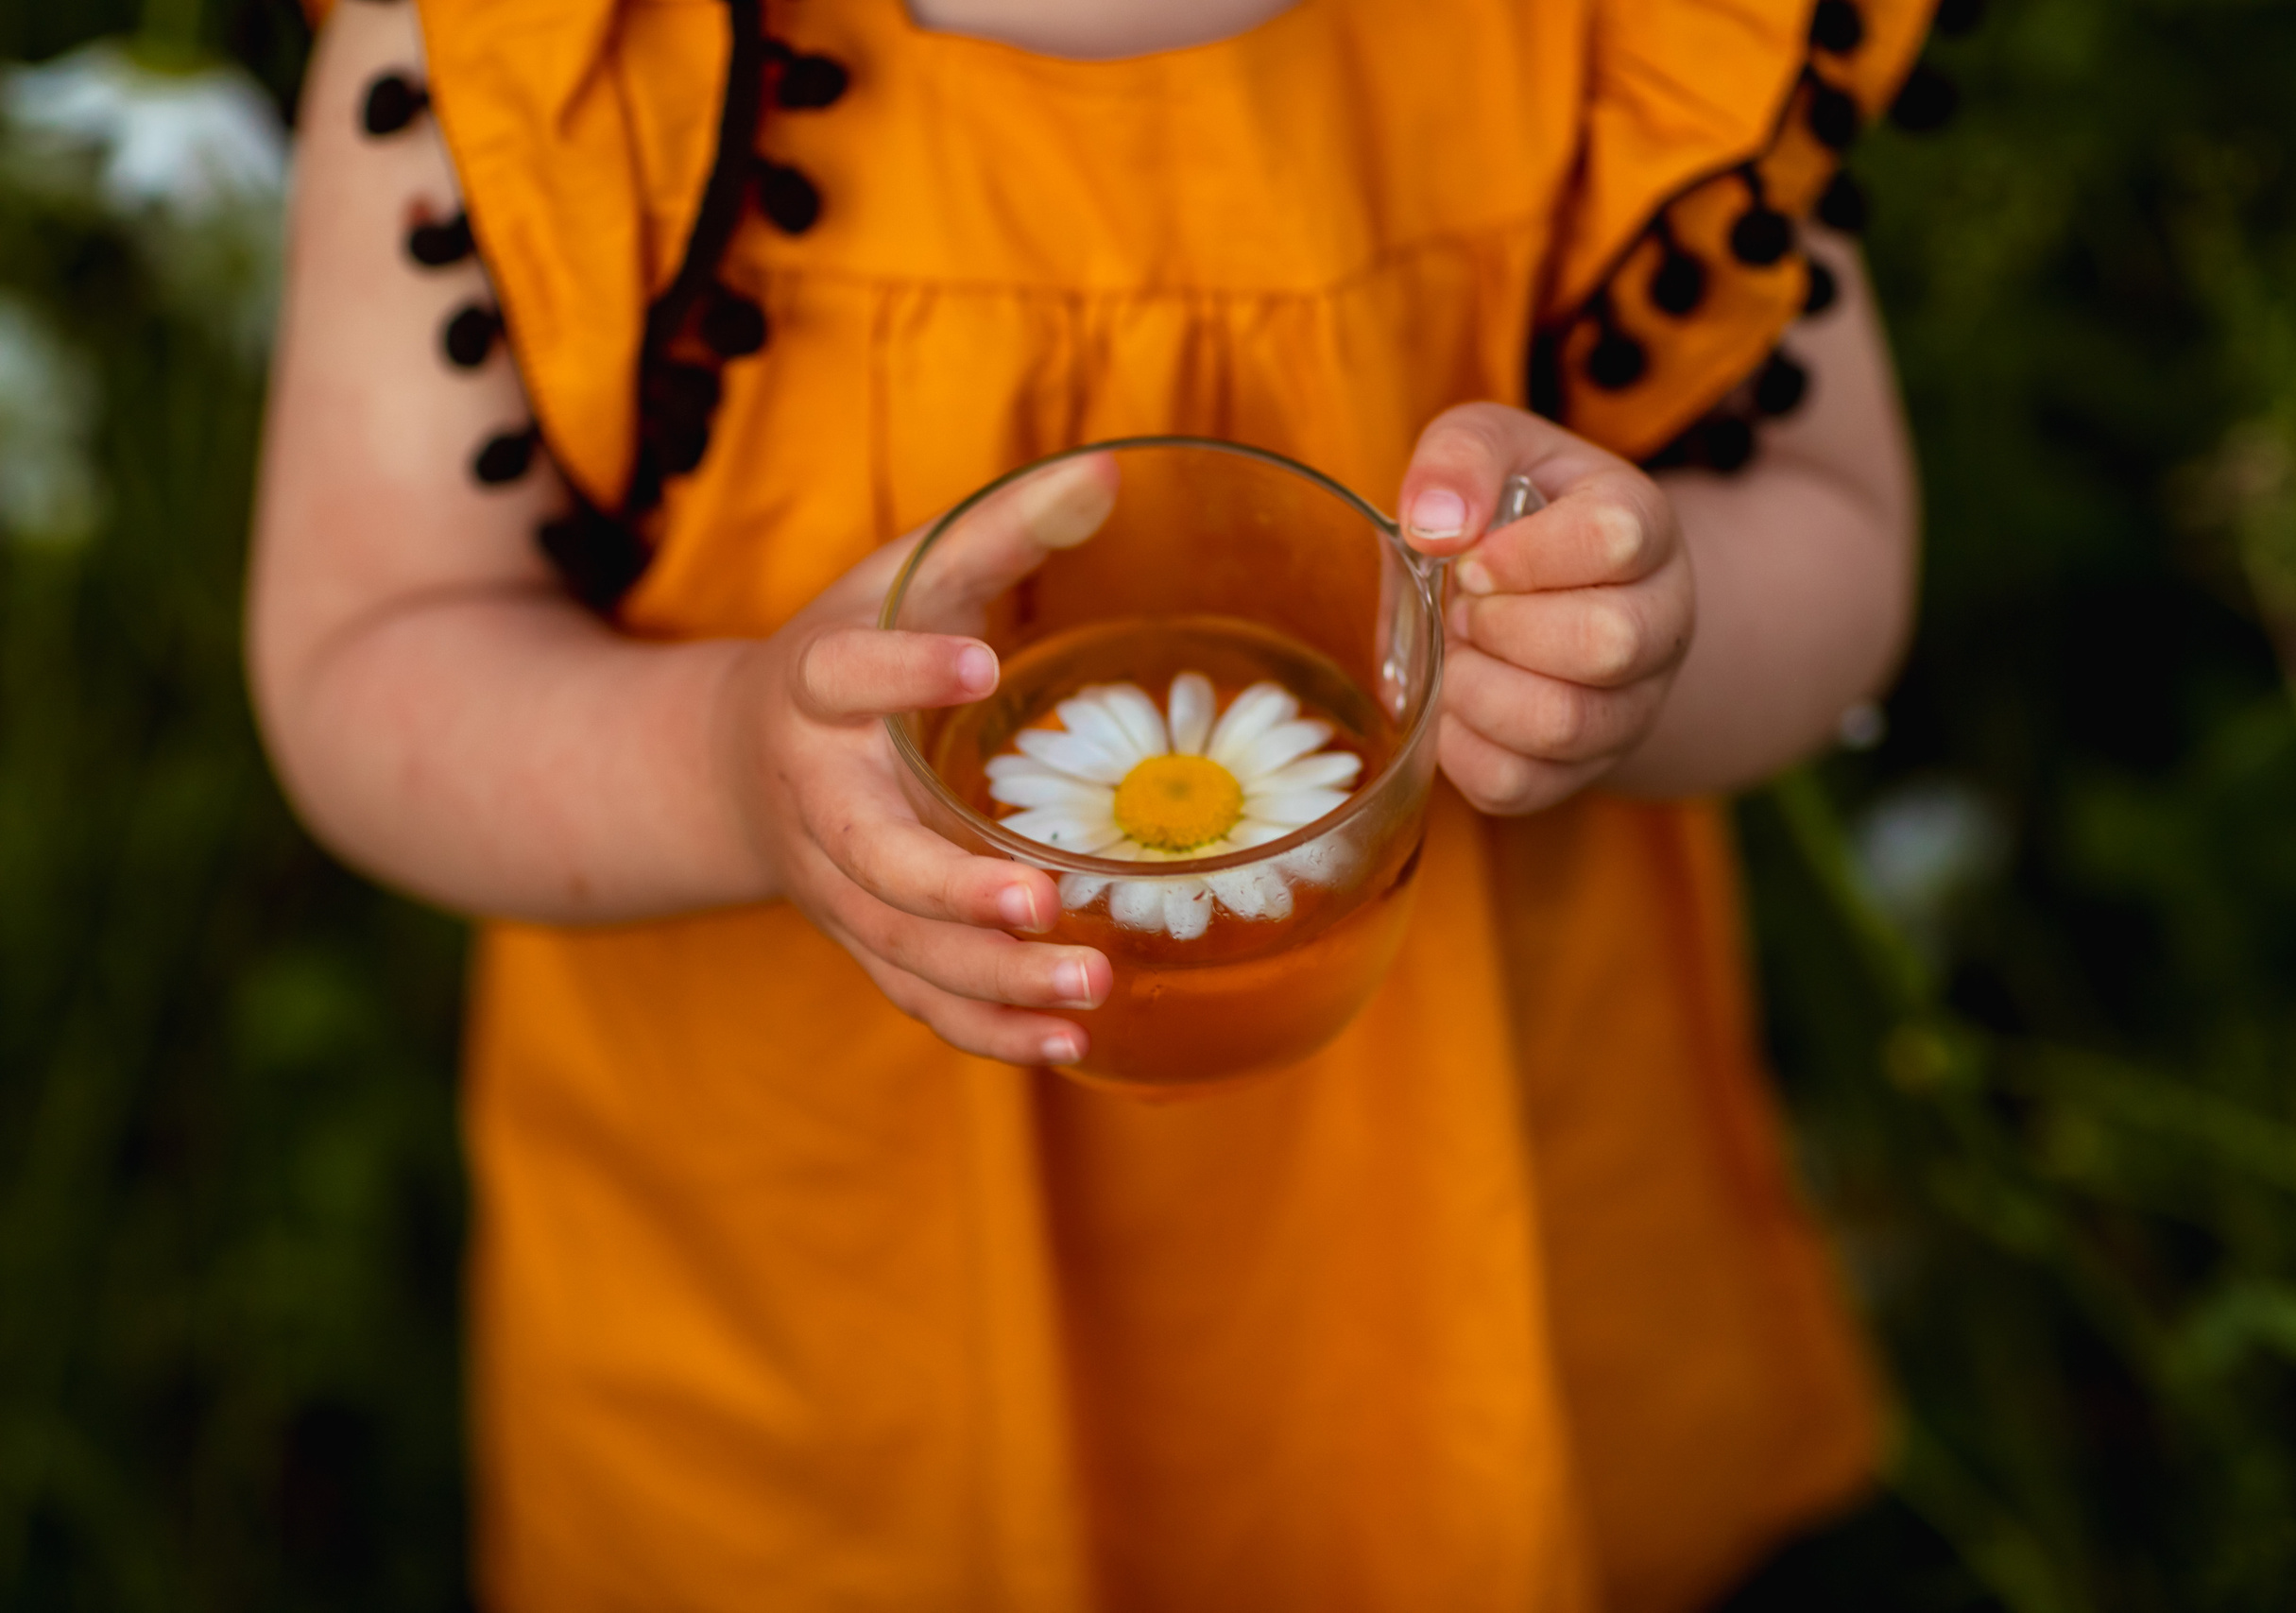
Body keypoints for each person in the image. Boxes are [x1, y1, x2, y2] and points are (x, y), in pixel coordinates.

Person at [247, 0, 1929, 1604]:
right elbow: (369, 658)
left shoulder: (1617, 39)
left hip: (1455, 1221)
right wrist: (726, 763)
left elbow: (1831, 520)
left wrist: (1621, 647)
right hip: (831, 1290)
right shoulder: (547, 62)